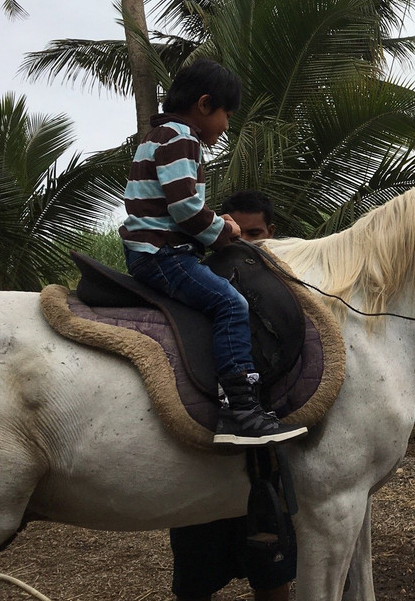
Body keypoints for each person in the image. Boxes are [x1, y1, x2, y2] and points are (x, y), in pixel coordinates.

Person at [119, 58, 306, 447]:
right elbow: (185, 209)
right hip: (164, 254)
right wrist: (225, 232)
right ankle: (241, 410)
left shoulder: (156, 137)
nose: (226, 126)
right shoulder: (182, 139)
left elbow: (173, 204)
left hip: (151, 249)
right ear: (204, 105)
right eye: (227, 115)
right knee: (230, 304)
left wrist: (216, 222)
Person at [168, 190, 296, 601]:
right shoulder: (195, 290)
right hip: (202, 469)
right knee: (194, 580)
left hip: (264, 474)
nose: (243, 243)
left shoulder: (290, 298)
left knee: (273, 579)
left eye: (254, 234)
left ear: (271, 232)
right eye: (235, 233)